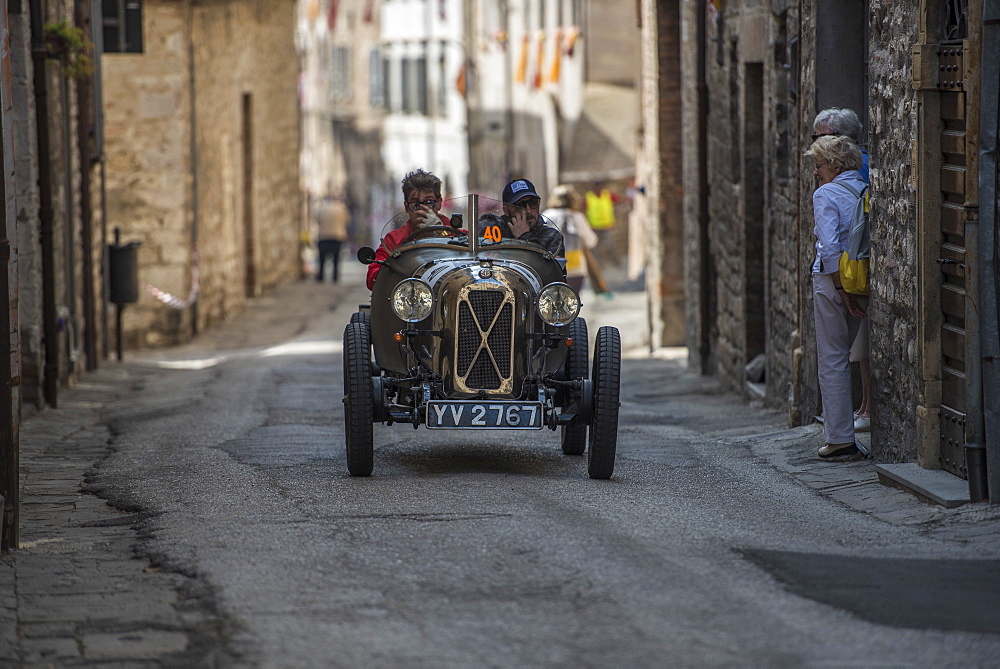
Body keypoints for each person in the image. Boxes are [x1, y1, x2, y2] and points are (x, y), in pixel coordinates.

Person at [804, 134, 868, 458]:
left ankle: (840, 438)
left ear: (835, 164)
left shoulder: (826, 194)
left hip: (833, 281)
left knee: (832, 358)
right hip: (863, 277)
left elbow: (828, 246)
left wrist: (841, 291)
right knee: (863, 353)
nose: (816, 172)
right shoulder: (864, 187)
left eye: (819, 165)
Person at [366, 169, 456, 290]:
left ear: (439, 203)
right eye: (415, 204)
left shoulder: (458, 236)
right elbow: (373, 279)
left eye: (429, 202)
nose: (422, 210)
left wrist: (440, 232)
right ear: (406, 207)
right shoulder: (394, 239)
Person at [542, 184, 598, 292]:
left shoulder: (547, 216)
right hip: (575, 269)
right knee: (573, 303)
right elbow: (591, 241)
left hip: (553, 268)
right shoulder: (577, 217)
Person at [498, 178, 565, 256]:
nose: (528, 211)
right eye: (520, 205)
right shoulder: (498, 232)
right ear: (506, 211)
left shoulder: (552, 237)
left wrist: (525, 237)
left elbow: (547, 266)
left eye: (533, 203)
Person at [314, 193, 350, 283]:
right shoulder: (341, 208)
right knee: (336, 259)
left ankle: (321, 277)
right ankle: (335, 277)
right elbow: (347, 220)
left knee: (322, 259)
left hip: (323, 235)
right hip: (337, 235)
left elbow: (317, 219)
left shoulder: (321, 208)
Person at [584, 180, 618, 266]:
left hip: (606, 226)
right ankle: (599, 264)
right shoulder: (589, 197)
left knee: (609, 245)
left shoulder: (607, 195)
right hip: (594, 227)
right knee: (595, 248)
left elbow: (618, 199)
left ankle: (614, 262)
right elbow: (583, 210)